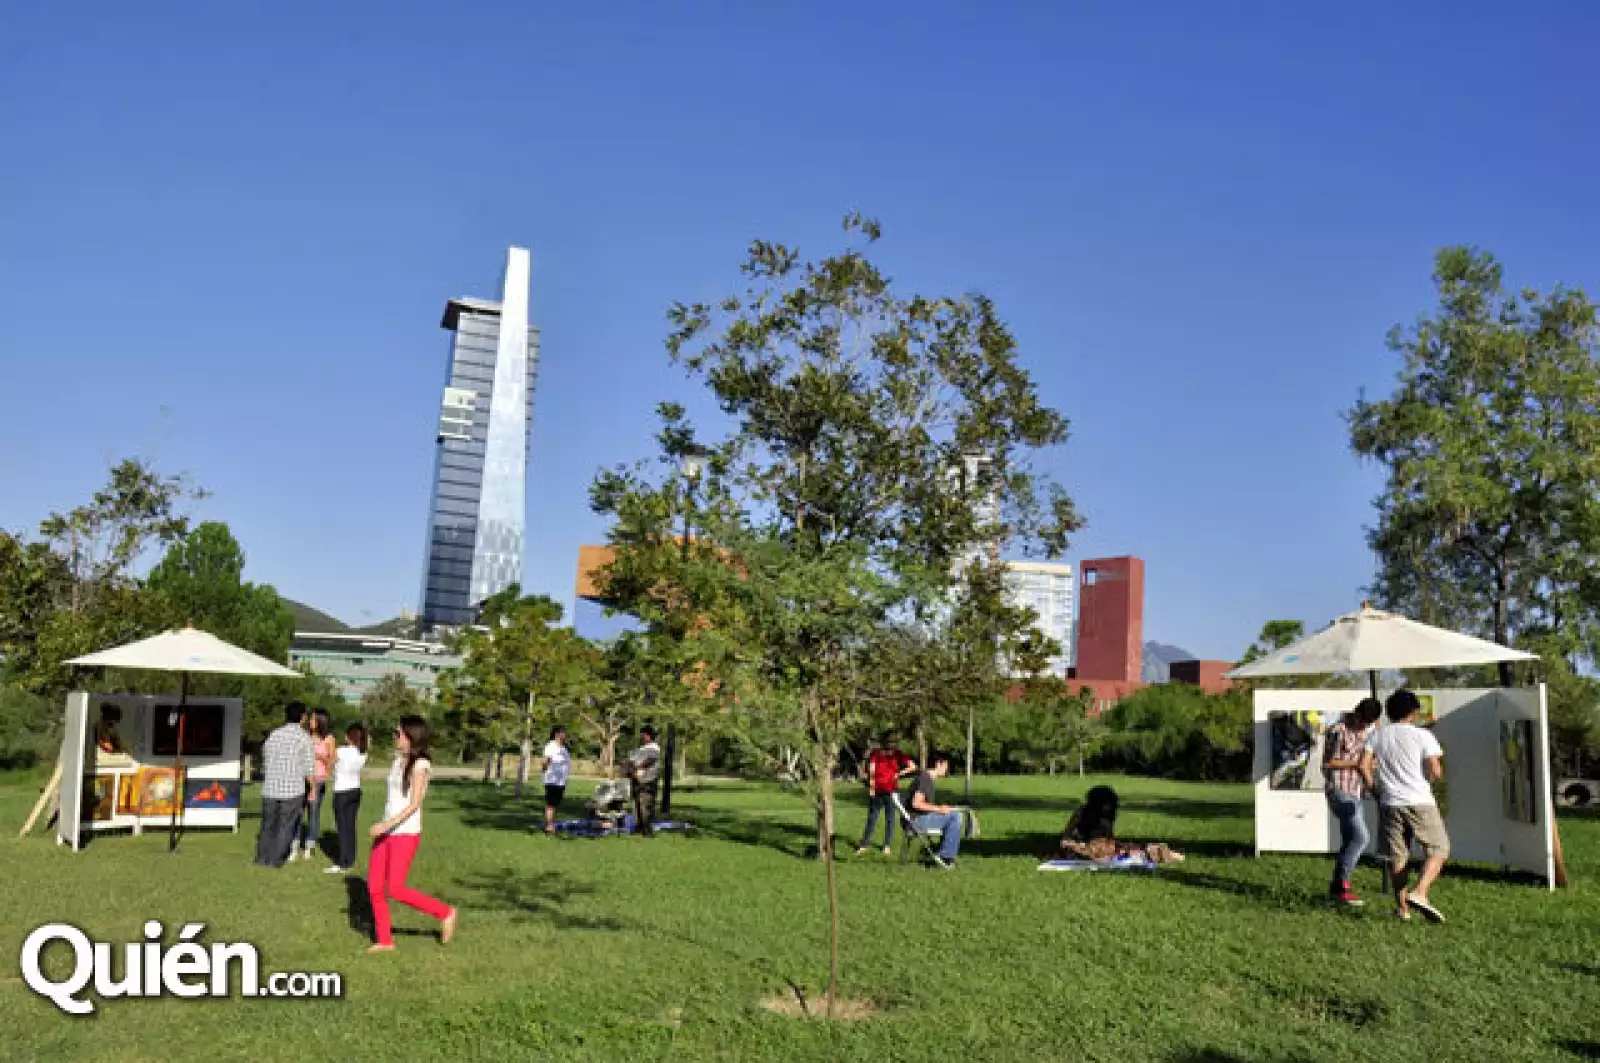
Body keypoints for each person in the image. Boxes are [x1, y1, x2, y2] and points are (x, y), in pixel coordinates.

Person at [366, 715, 457, 953]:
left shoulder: (420, 765)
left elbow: (415, 803)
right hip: (386, 831)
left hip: (404, 833)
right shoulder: (398, 761)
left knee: (395, 888)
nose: (395, 736)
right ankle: (385, 941)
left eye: (398, 733)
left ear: (411, 736)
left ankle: (445, 913)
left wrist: (386, 826)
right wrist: (384, 826)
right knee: (375, 887)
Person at [1360, 689, 1450, 923]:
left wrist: (1374, 789)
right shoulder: (1423, 736)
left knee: (1398, 856)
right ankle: (1420, 892)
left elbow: (1363, 765)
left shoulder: (1378, 735)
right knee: (1439, 848)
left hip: (1390, 801)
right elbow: (1435, 770)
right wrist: (1434, 775)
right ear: (1413, 712)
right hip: (1420, 800)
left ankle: (1403, 910)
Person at [1323, 697, 1382, 906]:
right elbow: (1328, 763)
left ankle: (1337, 886)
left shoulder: (1371, 730)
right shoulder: (1338, 730)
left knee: (1350, 839)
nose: (1363, 726)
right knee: (1361, 837)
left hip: (1356, 791)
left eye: (1368, 723)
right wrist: (1357, 763)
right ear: (1356, 713)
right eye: (1362, 721)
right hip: (1339, 789)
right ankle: (1341, 887)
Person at [1056, 785, 1184, 864]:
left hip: (1103, 847)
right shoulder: (1081, 812)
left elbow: (1108, 839)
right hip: (1087, 846)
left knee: (1133, 850)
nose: (1109, 807)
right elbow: (1067, 834)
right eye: (1106, 804)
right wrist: (1071, 842)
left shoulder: (1107, 817)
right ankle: (1165, 853)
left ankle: (1166, 853)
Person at [254, 702, 315, 868]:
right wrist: (313, 789)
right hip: (292, 789)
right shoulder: (304, 737)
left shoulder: (274, 735)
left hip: (270, 788)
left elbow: (265, 759)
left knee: (267, 826)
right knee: (285, 826)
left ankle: (262, 858)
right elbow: (308, 767)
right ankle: (275, 860)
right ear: (302, 717)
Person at [856, 736, 916, 856]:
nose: (891, 746)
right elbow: (872, 772)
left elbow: (913, 766)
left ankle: (887, 846)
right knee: (872, 818)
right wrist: (871, 788)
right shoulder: (876, 755)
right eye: (890, 743)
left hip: (891, 791)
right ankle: (864, 845)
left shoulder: (898, 755)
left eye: (893, 743)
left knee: (890, 819)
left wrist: (898, 774)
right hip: (877, 791)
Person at [292, 709, 336, 863]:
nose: (310, 722)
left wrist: (320, 757)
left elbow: (332, 760)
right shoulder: (304, 736)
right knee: (297, 812)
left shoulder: (329, 738)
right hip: (301, 778)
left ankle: (309, 846)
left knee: (313, 812)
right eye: (310, 719)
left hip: (318, 779)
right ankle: (294, 845)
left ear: (321, 721)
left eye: (313, 719)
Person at [325, 723, 368, 875]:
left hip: (342, 792)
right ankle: (350, 858)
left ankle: (343, 862)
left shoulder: (341, 751)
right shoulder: (363, 753)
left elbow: (329, 765)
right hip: (355, 790)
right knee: (350, 826)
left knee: (343, 829)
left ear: (350, 737)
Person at [908, 753, 964, 867]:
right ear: (938, 764)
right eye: (945, 766)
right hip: (916, 821)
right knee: (956, 816)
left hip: (917, 818)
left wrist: (942, 809)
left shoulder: (926, 778)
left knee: (953, 813)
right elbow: (916, 803)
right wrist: (939, 809)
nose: (947, 769)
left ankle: (945, 852)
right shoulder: (925, 779)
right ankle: (945, 856)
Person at [626, 726, 662, 837]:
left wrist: (637, 767)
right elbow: (631, 760)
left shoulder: (654, 747)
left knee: (645, 806)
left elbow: (650, 760)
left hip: (647, 781)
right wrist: (630, 769)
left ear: (648, 735)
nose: (641, 736)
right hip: (637, 780)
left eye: (643, 734)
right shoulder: (641, 748)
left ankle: (647, 830)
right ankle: (638, 828)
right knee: (636, 805)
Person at [541, 725, 571, 835]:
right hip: (552, 779)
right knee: (551, 803)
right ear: (557, 734)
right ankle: (549, 826)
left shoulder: (563, 748)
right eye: (563, 732)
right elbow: (546, 760)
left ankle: (551, 823)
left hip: (561, 781)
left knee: (555, 804)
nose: (565, 735)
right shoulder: (551, 746)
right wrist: (545, 772)